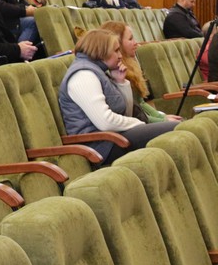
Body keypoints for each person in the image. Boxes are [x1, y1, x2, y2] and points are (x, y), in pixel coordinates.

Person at [59, 29, 179, 164]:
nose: (120, 56)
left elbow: (126, 113)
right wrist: (139, 124)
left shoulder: (100, 71)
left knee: (179, 128)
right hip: (100, 147)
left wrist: (120, 82)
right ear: (101, 51)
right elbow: (106, 122)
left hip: (113, 138)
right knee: (176, 129)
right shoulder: (84, 76)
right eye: (116, 51)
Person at [100, 21, 183, 124]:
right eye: (130, 39)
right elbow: (135, 114)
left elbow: (141, 103)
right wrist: (163, 120)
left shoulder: (131, 64)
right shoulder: (115, 71)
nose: (136, 43)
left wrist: (162, 116)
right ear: (118, 43)